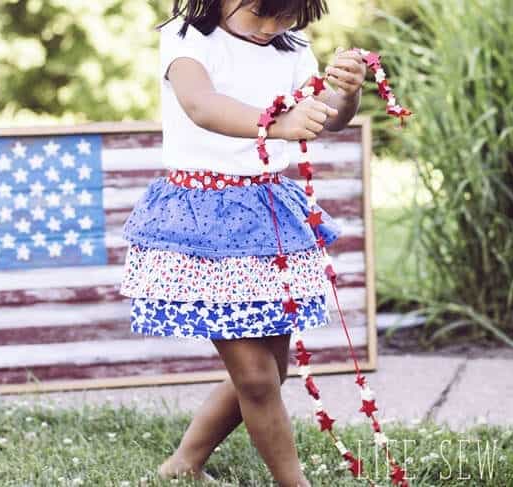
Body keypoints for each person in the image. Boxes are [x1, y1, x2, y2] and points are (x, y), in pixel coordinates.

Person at [119, 1, 367, 485]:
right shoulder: (188, 38)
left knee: (269, 372)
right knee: (254, 376)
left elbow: (328, 116)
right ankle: (293, 482)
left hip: (266, 214)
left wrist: (347, 94)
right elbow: (201, 105)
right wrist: (276, 123)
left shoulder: (291, 48)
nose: (273, 28)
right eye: (264, 14)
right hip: (202, 217)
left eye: (289, 17)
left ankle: (184, 463)